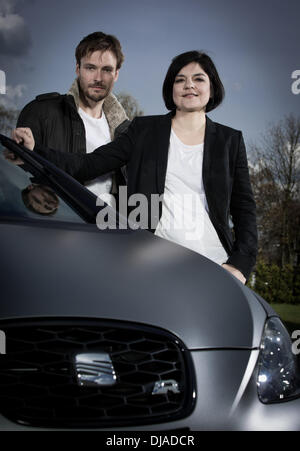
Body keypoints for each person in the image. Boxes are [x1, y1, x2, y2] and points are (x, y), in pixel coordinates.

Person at [12, 51, 258, 284]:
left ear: (212, 86)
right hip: (154, 262)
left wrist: (240, 264)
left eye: (198, 79)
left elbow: (244, 207)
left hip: (216, 265)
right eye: (180, 79)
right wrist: (35, 150)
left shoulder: (230, 141)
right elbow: (88, 165)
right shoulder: (143, 131)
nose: (189, 85)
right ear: (171, 89)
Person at [17, 31, 130, 205]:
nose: (98, 78)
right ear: (78, 68)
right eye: (90, 68)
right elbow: (19, 177)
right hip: (57, 224)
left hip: (109, 227)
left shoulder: (125, 130)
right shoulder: (41, 111)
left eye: (106, 70)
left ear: (116, 74)